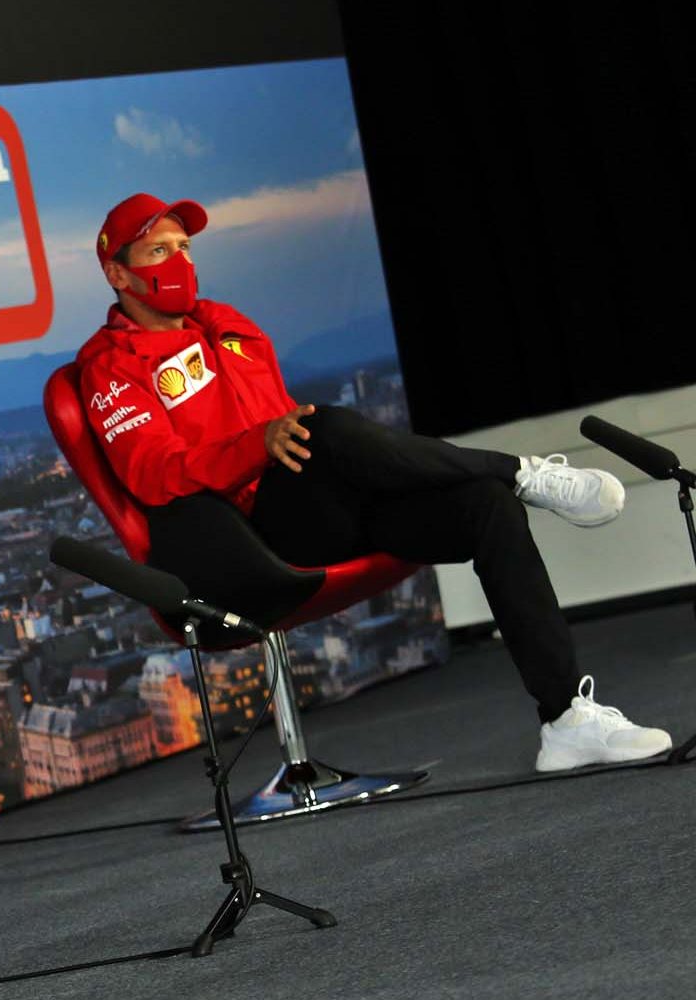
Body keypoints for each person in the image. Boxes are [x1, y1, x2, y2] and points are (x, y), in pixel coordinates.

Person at [75, 194, 672, 772]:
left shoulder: (227, 324)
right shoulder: (110, 367)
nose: (179, 262)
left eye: (184, 247)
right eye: (158, 252)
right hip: (246, 540)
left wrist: (287, 443)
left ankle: (566, 720)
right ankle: (518, 470)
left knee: (484, 508)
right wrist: (254, 447)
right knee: (327, 426)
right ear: (117, 273)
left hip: (324, 507)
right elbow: (151, 474)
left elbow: (278, 411)